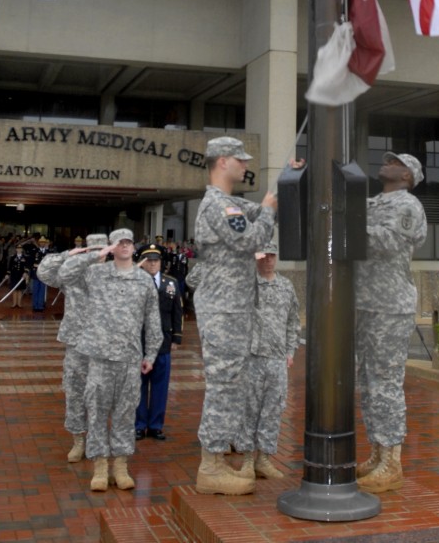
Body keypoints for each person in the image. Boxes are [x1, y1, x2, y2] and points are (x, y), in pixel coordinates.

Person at [193, 136, 277, 496]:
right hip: (224, 309)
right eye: (240, 160)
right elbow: (250, 239)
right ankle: (210, 465)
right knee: (224, 383)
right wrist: (271, 207)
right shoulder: (218, 206)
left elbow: (250, 217)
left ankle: (215, 460)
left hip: (231, 308)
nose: (245, 165)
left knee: (230, 382)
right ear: (223, 161)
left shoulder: (228, 204)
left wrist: (276, 193)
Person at [58, 227, 162, 493]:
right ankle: (100, 466)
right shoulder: (96, 274)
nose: (125, 246)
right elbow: (65, 274)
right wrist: (94, 255)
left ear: (133, 247)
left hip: (129, 359)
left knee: (126, 414)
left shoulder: (143, 280)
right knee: (97, 413)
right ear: (112, 247)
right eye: (119, 243)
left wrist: (151, 354)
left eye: (128, 242)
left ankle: (121, 465)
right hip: (100, 358)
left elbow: (152, 320)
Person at [355, 151, 427, 494]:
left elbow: (386, 241)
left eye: (396, 162)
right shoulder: (369, 203)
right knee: (368, 382)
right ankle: (377, 452)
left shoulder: (408, 205)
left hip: (390, 305)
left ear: (407, 176)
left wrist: (347, 224)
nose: (387, 163)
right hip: (363, 304)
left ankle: (392, 461)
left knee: (386, 381)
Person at [37, 232, 108, 462]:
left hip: (105, 347)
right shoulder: (73, 275)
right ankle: (78, 441)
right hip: (77, 344)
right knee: (75, 392)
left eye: (101, 252)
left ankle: (99, 442)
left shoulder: (115, 275)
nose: (98, 256)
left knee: (102, 396)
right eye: (93, 251)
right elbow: (44, 272)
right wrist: (69, 254)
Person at [237, 241, 300, 480]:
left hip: (276, 359)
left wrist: (290, 350)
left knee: (273, 410)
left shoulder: (286, 287)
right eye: (264, 256)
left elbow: (293, 322)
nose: (268, 260)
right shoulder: (246, 284)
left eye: (272, 256)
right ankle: (246, 460)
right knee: (248, 410)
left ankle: (263, 459)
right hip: (251, 357)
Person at [135, 244, 183, 441]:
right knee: (138, 386)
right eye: (149, 260)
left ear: (161, 262)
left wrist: (177, 338)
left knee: (160, 386)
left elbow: (177, 311)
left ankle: (155, 425)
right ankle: (138, 425)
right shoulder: (135, 282)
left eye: (156, 260)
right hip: (139, 342)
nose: (153, 264)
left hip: (163, 342)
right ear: (143, 263)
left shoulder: (170, 283)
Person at [31, 236, 51, 311]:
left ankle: (40, 305)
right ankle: (35, 305)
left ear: (45, 243)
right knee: (35, 289)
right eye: (41, 242)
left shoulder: (48, 252)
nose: (42, 244)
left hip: (44, 274)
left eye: (44, 242)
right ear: (39, 243)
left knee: (42, 290)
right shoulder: (34, 251)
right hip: (36, 273)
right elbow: (31, 261)